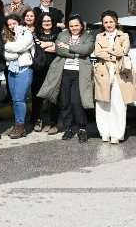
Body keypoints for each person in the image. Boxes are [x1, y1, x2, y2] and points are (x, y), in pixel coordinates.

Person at [38, 14, 95, 143]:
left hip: (80, 73)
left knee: (77, 102)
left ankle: (82, 128)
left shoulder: (88, 36)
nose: (74, 28)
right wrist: (77, 54)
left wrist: (69, 47)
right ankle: (69, 128)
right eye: (71, 26)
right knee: (65, 102)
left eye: (76, 25)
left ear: (81, 26)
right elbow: (59, 50)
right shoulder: (62, 35)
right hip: (63, 72)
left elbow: (86, 49)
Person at [93, 10, 136, 143]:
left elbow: (124, 50)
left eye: (111, 21)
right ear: (102, 24)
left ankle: (116, 134)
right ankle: (104, 132)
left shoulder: (124, 35)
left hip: (120, 73)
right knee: (102, 103)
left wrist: (107, 50)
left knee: (118, 103)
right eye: (105, 22)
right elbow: (98, 52)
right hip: (103, 72)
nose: (108, 24)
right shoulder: (99, 36)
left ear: (116, 22)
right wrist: (114, 54)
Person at [3, 14, 34, 139]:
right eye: (9, 24)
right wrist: (15, 51)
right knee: (15, 99)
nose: (11, 26)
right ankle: (17, 124)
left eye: (13, 23)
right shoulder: (7, 35)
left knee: (20, 99)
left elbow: (21, 46)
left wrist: (8, 47)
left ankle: (20, 127)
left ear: (19, 22)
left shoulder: (26, 33)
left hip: (25, 69)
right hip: (11, 70)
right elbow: (6, 54)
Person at [32, 13, 60, 134]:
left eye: (49, 21)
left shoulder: (58, 33)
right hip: (38, 68)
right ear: (40, 22)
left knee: (53, 96)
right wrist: (52, 45)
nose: (47, 23)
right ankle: (37, 120)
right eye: (44, 21)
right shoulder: (35, 33)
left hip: (54, 68)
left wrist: (49, 44)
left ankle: (52, 122)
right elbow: (35, 48)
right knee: (37, 95)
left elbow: (61, 48)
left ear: (52, 22)